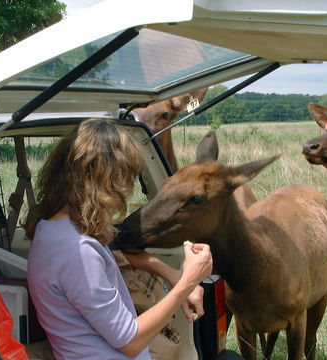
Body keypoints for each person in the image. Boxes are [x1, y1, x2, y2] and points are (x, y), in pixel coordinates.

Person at [24, 118, 213, 360]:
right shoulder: (76, 250)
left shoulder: (49, 228)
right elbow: (131, 341)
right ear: (102, 181)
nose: (125, 190)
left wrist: (173, 274)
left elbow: (110, 260)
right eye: (123, 178)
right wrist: (188, 280)